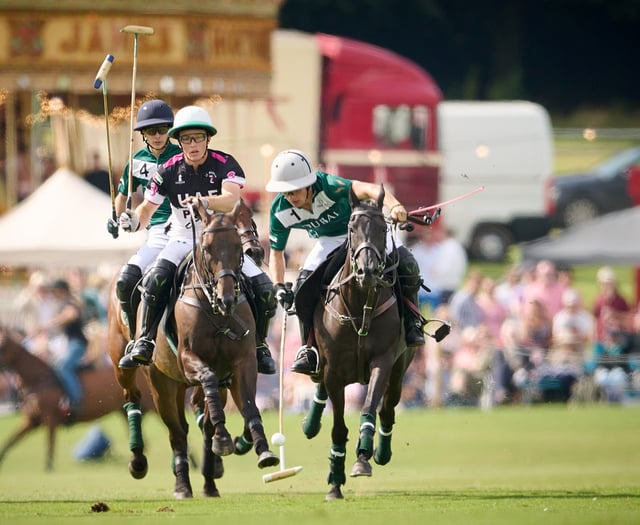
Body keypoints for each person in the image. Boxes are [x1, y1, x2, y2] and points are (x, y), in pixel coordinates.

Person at [118, 105, 276, 374]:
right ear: (178, 141)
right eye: (187, 139)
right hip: (182, 238)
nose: (193, 144)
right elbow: (147, 209)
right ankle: (144, 340)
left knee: (264, 288)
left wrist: (204, 201)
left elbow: (231, 199)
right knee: (156, 277)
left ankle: (260, 346)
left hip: (222, 239)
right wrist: (132, 220)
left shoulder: (225, 163)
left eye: (198, 138)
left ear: (208, 139)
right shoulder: (166, 171)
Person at [264, 149, 427, 376]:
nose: (291, 197)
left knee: (408, 265)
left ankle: (412, 323)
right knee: (302, 288)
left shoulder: (330, 185)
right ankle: (308, 348)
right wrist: (279, 286)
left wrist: (395, 205)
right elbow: (276, 252)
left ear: (310, 183)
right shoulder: (280, 211)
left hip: (362, 233)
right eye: (286, 192)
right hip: (329, 241)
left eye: (295, 190)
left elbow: (370, 188)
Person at [108, 99, 182, 352]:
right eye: (152, 131)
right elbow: (122, 195)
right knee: (125, 281)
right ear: (143, 134)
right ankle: (136, 337)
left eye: (163, 129)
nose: (158, 135)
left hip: (188, 226)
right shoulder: (136, 161)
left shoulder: (183, 155)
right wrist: (117, 218)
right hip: (158, 231)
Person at [37, 279, 88, 414]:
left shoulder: (70, 303)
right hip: (70, 343)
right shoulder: (64, 304)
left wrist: (49, 324)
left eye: (55, 291)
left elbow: (71, 315)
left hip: (78, 344)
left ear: (61, 291)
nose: (54, 294)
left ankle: (77, 401)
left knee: (64, 367)